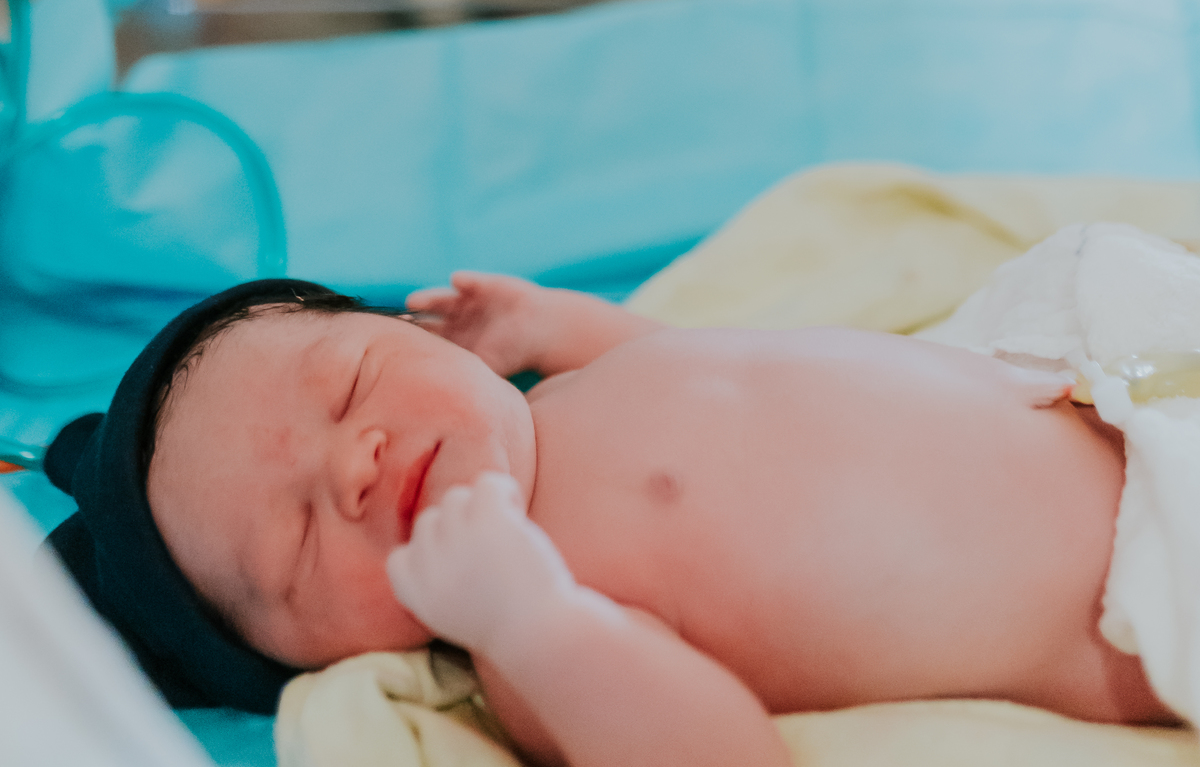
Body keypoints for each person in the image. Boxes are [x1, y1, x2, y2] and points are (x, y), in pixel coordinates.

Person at [42, 263, 1178, 762]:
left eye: (348, 382)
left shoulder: (563, 405)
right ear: (297, 658)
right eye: (292, 542)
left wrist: (559, 323)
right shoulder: (536, 652)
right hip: (1132, 577)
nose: (355, 465)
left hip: (1107, 394)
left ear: (411, 332)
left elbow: (712, 375)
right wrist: (531, 613)